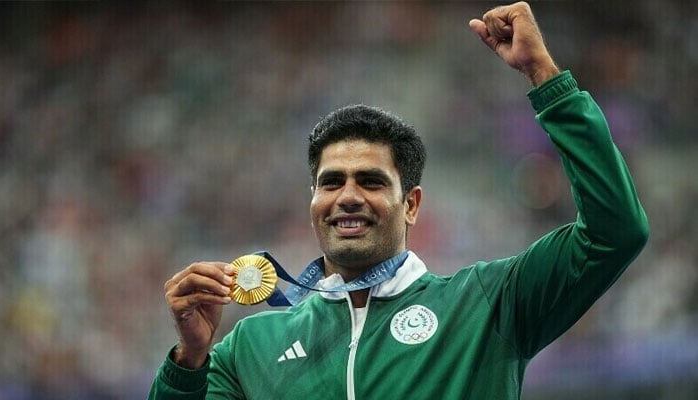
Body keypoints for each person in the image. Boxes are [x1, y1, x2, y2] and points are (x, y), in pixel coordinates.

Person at [148, 2, 649, 399]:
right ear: (313, 201)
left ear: (410, 204)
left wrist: (546, 78)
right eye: (330, 182)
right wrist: (189, 362)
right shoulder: (247, 350)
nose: (346, 197)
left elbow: (616, 232)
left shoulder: (489, 304)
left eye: (369, 181)